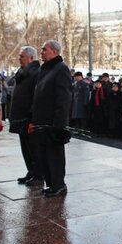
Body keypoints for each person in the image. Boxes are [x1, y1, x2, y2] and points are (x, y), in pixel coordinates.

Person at [29, 40, 72, 197]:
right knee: (44, 155)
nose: (41, 52)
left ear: (54, 52)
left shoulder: (61, 69)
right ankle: (51, 183)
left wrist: (59, 124)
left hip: (53, 123)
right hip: (41, 121)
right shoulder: (44, 70)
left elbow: (64, 98)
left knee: (55, 155)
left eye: (44, 49)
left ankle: (59, 185)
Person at [8, 46, 42, 186]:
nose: (19, 58)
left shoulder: (36, 73)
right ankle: (31, 171)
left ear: (31, 58)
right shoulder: (22, 73)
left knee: (34, 148)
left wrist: (32, 117)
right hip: (20, 116)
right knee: (25, 148)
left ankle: (38, 175)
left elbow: (36, 97)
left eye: (22, 56)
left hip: (29, 117)